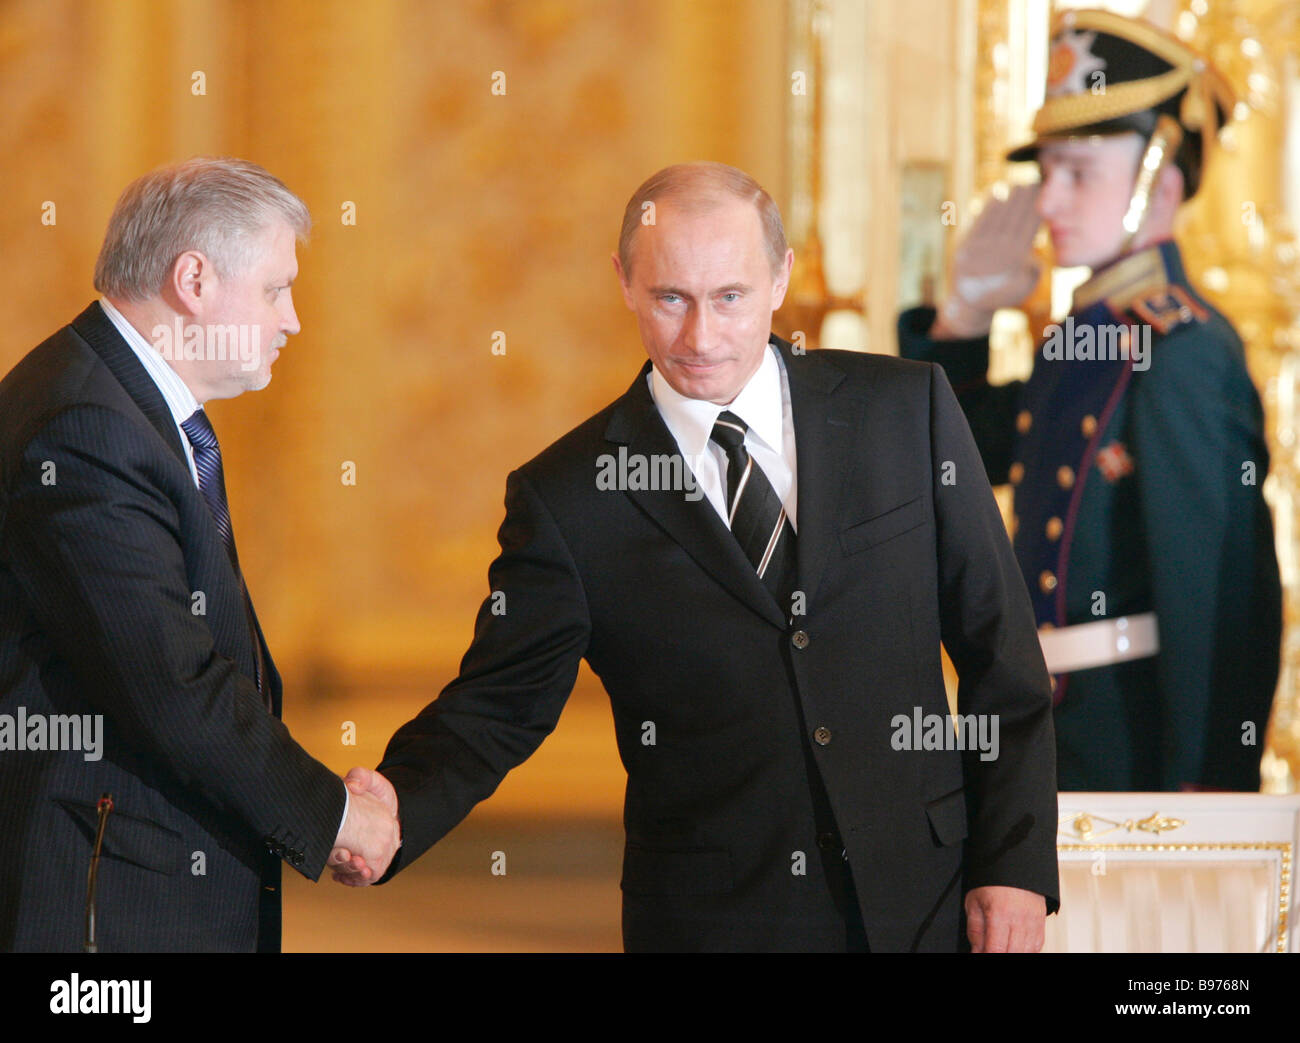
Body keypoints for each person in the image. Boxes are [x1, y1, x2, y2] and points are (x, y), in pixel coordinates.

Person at [332, 161, 1059, 952]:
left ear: (780, 278)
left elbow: (1002, 651)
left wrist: (1013, 861)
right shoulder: (569, 497)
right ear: (624, 282)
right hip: (712, 919)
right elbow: (499, 705)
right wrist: (392, 808)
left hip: (925, 901)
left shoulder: (905, 409)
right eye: (670, 298)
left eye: (730, 298)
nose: (700, 336)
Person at [0, 158, 399, 952]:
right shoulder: (88, 425)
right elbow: (171, 683)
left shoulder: (118, 403)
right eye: (276, 288)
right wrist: (334, 813)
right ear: (194, 280)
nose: (292, 320)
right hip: (109, 907)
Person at [898, 9, 1282, 791]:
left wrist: (1207, 789)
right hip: (1047, 729)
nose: (1047, 203)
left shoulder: (1181, 349)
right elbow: (951, 465)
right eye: (1048, 172)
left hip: (1129, 746)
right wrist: (963, 319)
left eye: (1079, 173)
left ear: (1160, 181)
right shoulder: (1088, 337)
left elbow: (1215, 595)